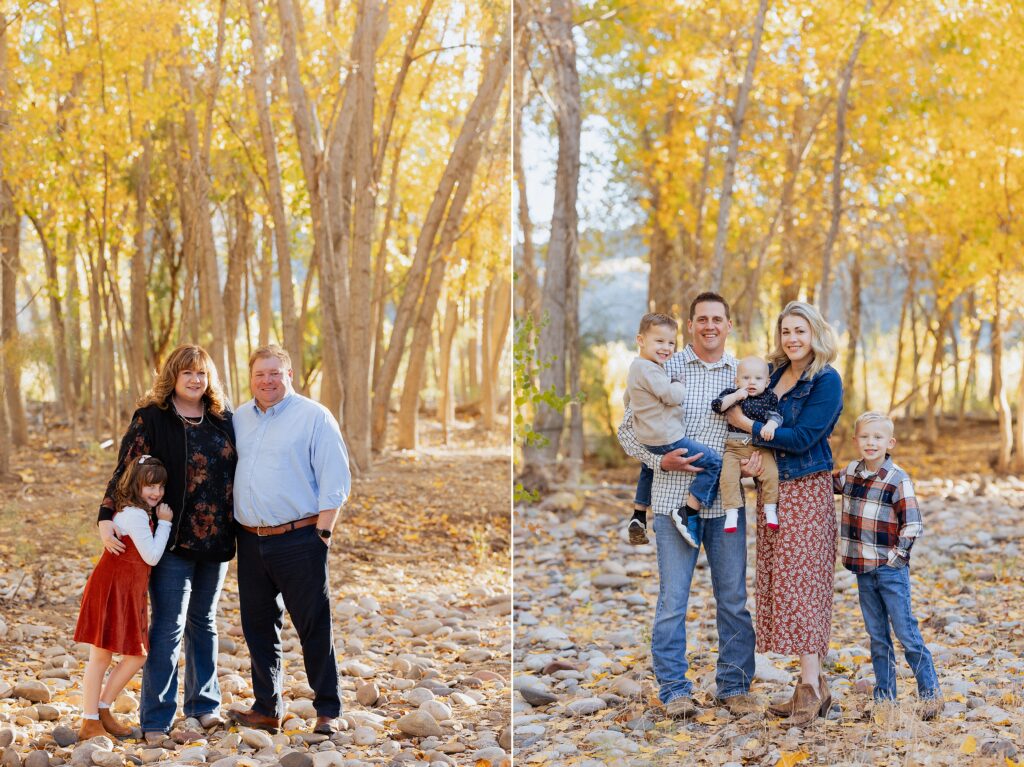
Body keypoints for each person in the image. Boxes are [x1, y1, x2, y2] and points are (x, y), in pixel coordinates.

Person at [618, 292, 760, 719]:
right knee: (673, 601)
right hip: (670, 501)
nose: (710, 326)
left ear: (728, 325)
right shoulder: (664, 364)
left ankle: (734, 686)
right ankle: (674, 690)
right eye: (702, 319)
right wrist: (658, 461)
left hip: (727, 504)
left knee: (732, 599)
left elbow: (754, 430)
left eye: (717, 319)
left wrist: (754, 459)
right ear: (692, 324)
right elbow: (627, 430)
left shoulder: (742, 373)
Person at [98, 345, 237, 741]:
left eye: (202, 373)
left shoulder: (223, 419)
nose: (195, 380)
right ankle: (156, 719)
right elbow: (125, 471)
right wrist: (105, 516)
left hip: (217, 540)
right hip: (170, 540)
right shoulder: (152, 417)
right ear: (173, 376)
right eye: (187, 372)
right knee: (168, 626)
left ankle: (204, 706)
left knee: (204, 622)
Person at [724, 301, 843, 725]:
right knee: (784, 585)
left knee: (804, 585)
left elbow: (803, 437)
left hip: (807, 490)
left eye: (800, 330)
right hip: (774, 491)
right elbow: (765, 436)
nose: (792, 338)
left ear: (815, 333)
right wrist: (751, 460)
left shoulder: (826, 380)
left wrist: (745, 426)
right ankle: (813, 686)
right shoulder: (772, 374)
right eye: (786, 331)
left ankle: (809, 689)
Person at [227, 345, 351, 735]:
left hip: (300, 538)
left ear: (289, 375)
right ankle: (267, 708)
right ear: (250, 377)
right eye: (260, 374)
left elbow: (335, 480)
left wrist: (323, 535)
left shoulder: (314, 416)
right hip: (250, 540)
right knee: (258, 627)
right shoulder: (239, 418)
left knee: (313, 625)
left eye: (274, 373)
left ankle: (328, 710)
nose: (267, 381)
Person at [833, 412, 942, 719]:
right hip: (862, 570)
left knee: (906, 632)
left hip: (890, 570)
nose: (871, 443)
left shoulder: (897, 479)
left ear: (890, 442)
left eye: (878, 437)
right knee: (878, 636)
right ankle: (885, 698)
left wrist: (895, 560)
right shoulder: (850, 473)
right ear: (855, 440)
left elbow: (913, 524)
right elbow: (821, 484)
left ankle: (930, 693)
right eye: (865, 437)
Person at [76, 456, 173, 740]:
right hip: (111, 590)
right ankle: (89, 721)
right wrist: (165, 523)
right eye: (150, 486)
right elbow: (152, 556)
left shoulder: (137, 512)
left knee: (135, 654)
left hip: (126, 590)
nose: (156, 492)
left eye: (160, 486)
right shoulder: (135, 515)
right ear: (135, 485)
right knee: (101, 657)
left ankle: (102, 709)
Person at [625, 312, 723, 547]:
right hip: (668, 436)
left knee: (648, 466)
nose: (666, 348)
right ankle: (689, 511)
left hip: (649, 438)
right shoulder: (650, 369)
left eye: (671, 343)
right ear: (640, 340)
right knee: (713, 462)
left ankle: (639, 512)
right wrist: (677, 384)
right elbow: (671, 396)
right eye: (659, 341)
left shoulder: (636, 367)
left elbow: (627, 399)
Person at [711, 356, 782, 533]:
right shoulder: (733, 394)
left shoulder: (769, 397)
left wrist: (771, 425)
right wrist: (735, 396)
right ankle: (731, 512)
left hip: (760, 447)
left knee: (772, 474)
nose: (752, 382)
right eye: (746, 378)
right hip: (734, 447)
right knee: (728, 476)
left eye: (758, 378)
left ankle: (770, 510)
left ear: (767, 382)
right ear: (737, 381)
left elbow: (776, 416)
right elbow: (717, 406)